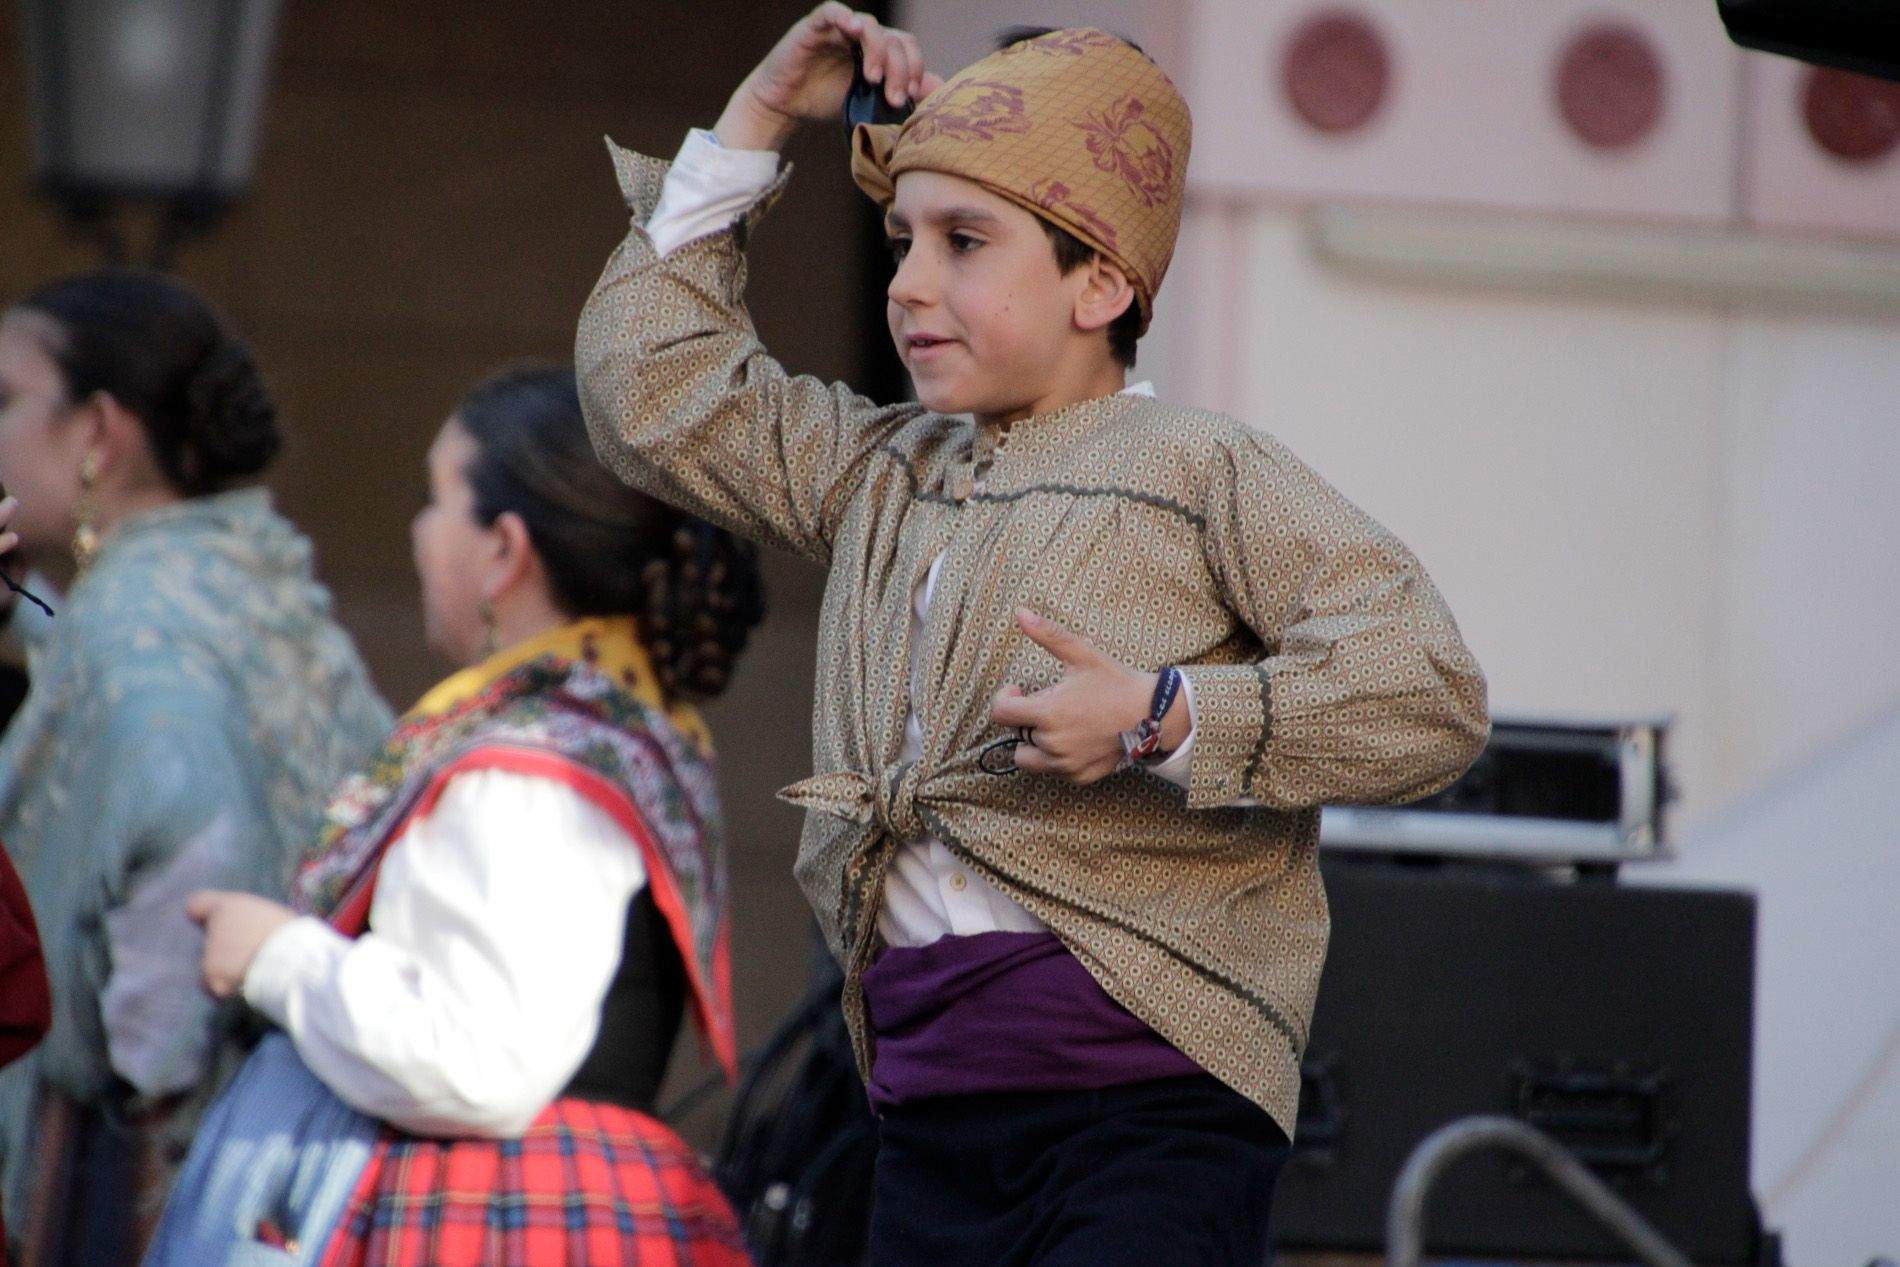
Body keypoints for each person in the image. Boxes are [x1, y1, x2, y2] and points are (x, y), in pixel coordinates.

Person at [575, 9, 1491, 1264]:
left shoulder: (1201, 466)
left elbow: (1428, 690)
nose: (906, 285)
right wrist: (759, 113)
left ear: (1100, 283)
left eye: (965, 243)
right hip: (921, 1111)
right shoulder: (878, 470)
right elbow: (655, 391)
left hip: (1150, 1117)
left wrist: (1164, 717)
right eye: (902, 242)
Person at [146, 365, 759, 1267]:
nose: (418, 531)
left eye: (437, 500)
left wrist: (276, 953)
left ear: (504, 552)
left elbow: (478, 1059)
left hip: (500, 1216)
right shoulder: (614, 729)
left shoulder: (530, 770)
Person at [0, 271, 391, 1262]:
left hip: (137, 1156)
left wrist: (144, 1075)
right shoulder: (245, 581)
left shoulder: (139, 626)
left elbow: (184, 806)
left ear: (98, 433)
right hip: (276, 1131)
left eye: (5, 401)